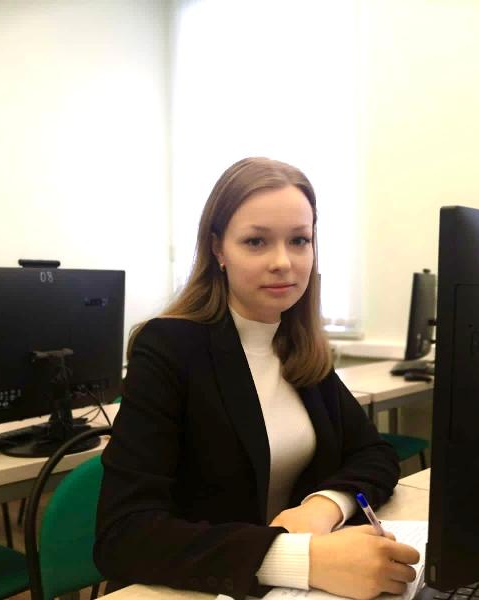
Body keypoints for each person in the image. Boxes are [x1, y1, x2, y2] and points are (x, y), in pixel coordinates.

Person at [94, 157, 419, 600]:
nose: (283, 262)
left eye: (299, 240)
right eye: (256, 241)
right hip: (195, 588)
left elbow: (374, 453)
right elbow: (124, 535)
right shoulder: (170, 347)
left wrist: (325, 505)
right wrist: (299, 559)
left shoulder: (297, 346)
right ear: (218, 249)